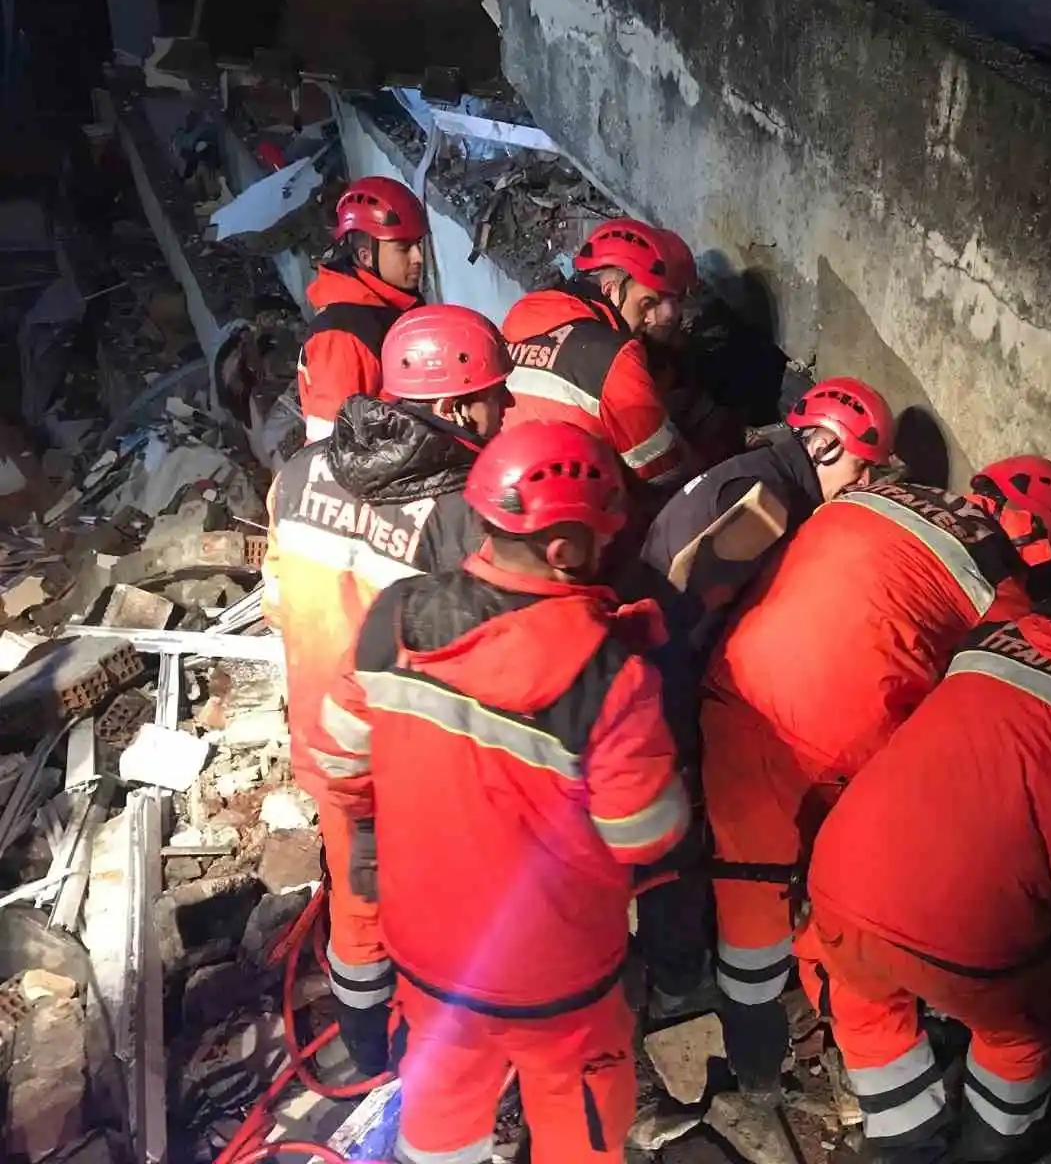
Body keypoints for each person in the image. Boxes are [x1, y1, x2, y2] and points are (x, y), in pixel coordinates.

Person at [308, 421, 691, 1164]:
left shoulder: (396, 616)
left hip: (425, 949)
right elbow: (642, 832)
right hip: (557, 976)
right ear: (563, 549)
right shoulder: (609, 675)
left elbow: (341, 761)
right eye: (602, 533)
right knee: (578, 1119)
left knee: (442, 1112)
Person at [701, 455, 1051, 1101]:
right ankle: (775, 1040)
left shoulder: (880, 495)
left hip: (732, 677)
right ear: (1038, 545)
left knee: (743, 875)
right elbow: (972, 717)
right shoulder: (1004, 597)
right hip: (819, 740)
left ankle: (751, 1033)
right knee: (814, 902)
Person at [794, 560, 1051, 1164]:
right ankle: (993, 1146)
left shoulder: (993, 636)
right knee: (1020, 1029)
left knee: (867, 998)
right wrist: (1043, 903)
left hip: (842, 876)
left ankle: (902, 1143)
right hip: (970, 932)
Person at [262, 304, 511, 1073]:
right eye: (496, 396)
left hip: (325, 739)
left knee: (357, 908)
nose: (506, 410)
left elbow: (275, 599)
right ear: (454, 406)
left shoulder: (302, 471)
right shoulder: (460, 515)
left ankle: (371, 1054)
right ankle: (448, 1054)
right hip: (409, 764)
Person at [628, 376, 896, 1017]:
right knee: (676, 838)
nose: (861, 486)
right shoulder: (767, 502)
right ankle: (678, 978)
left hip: (648, 666)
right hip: (658, 686)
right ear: (825, 448)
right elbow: (697, 614)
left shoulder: (760, 471)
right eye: (860, 468)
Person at [500, 219, 697, 489]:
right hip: (580, 509)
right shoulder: (615, 358)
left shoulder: (521, 314)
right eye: (646, 303)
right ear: (611, 290)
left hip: (506, 488)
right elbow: (667, 472)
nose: (649, 320)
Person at [298, 177, 429, 441]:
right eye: (404, 247)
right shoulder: (344, 335)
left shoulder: (389, 305)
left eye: (418, 243)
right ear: (366, 256)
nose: (418, 257)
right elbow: (333, 447)